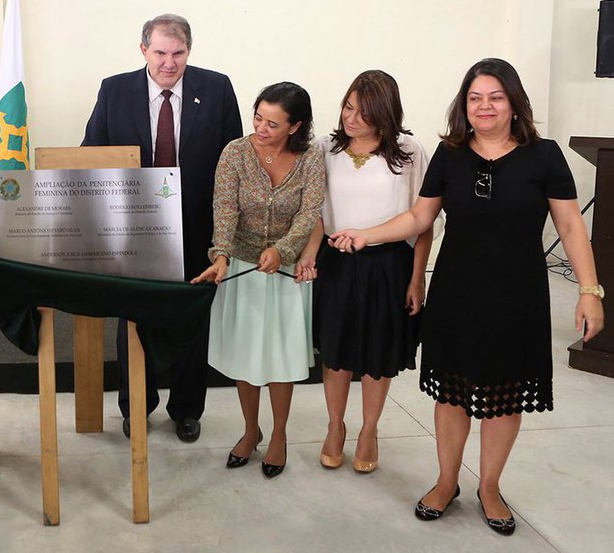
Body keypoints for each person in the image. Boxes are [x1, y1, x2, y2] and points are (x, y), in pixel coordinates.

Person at [330, 58, 604, 535]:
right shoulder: (451, 154)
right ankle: (446, 481)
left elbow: (570, 224)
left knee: (505, 395)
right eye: (475, 97)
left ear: (514, 102)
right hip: (457, 291)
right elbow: (419, 219)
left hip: (518, 296)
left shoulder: (544, 156)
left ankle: (491, 487)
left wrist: (589, 290)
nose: (484, 106)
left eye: (495, 97)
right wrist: (365, 235)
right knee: (453, 393)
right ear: (464, 104)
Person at [82, 13, 242, 442]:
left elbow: (234, 162)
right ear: (143, 50)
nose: (169, 63)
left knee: (192, 319)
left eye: (178, 53)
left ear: (189, 50)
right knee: (133, 318)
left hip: (196, 227)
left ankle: (187, 408)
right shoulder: (115, 90)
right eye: (160, 53)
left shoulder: (217, 87)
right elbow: (91, 153)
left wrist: (224, 234)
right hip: (132, 230)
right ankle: (136, 405)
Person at [192, 82, 325, 477]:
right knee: (245, 358)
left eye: (272, 123)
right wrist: (220, 255)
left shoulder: (310, 158)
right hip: (241, 268)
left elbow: (308, 214)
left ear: (295, 126)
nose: (261, 129)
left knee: (280, 359)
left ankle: (279, 435)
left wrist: (283, 251)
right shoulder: (235, 153)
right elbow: (225, 210)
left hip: (286, 273)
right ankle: (251, 431)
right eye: (258, 118)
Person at [312, 70, 433, 473]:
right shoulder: (324, 148)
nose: (352, 118)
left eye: (364, 113)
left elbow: (424, 221)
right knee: (336, 351)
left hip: (388, 264)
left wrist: (417, 279)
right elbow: (313, 212)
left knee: (378, 351)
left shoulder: (410, 151)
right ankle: (335, 426)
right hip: (337, 262)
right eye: (348, 107)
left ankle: (369, 429)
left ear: (386, 114)